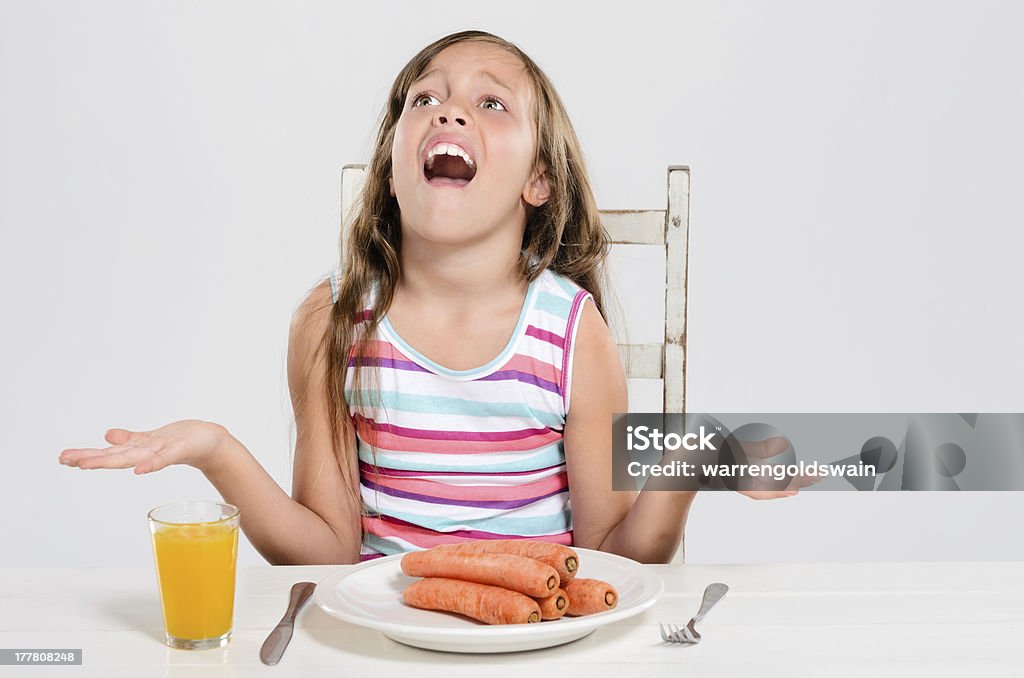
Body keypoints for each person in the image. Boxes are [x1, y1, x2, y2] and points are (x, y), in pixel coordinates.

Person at [59, 30, 793, 565]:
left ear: (538, 181)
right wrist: (218, 452)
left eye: (491, 104)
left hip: (542, 643)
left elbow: (613, 556)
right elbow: (325, 552)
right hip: (381, 648)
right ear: (393, 163)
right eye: (426, 98)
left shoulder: (570, 330)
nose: (449, 112)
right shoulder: (333, 321)